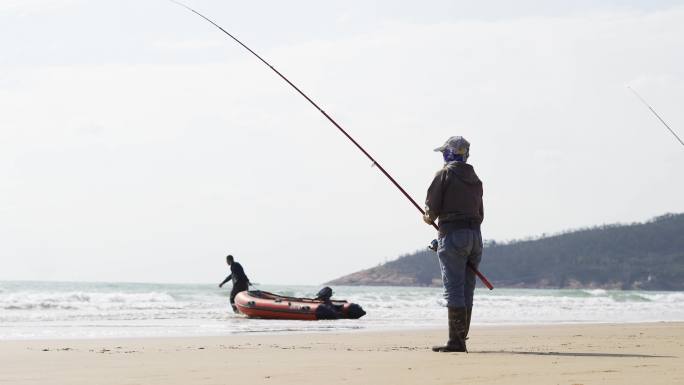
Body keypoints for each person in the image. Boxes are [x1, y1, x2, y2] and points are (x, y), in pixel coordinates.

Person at [423, 136, 483, 352]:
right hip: (475, 237)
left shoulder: (444, 174)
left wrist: (428, 218)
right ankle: (461, 339)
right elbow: (480, 214)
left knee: (454, 288)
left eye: (443, 153)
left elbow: (431, 212)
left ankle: (456, 343)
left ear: (449, 153)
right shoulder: (476, 179)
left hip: (453, 234)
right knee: (468, 289)